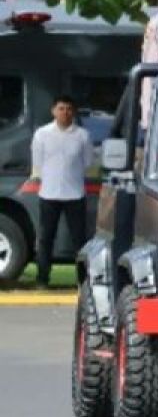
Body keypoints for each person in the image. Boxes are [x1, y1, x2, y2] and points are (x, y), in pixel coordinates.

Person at [30, 96, 92, 289]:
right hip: (49, 193)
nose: (65, 112)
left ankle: (82, 280)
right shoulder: (42, 134)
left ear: (73, 112)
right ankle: (42, 278)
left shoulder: (82, 135)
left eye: (68, 109)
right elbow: (37, 163)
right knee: (46, 238)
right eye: (61, 108)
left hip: (75, 194)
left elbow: (88, 162)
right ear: (53, 111)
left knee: (79, 240)